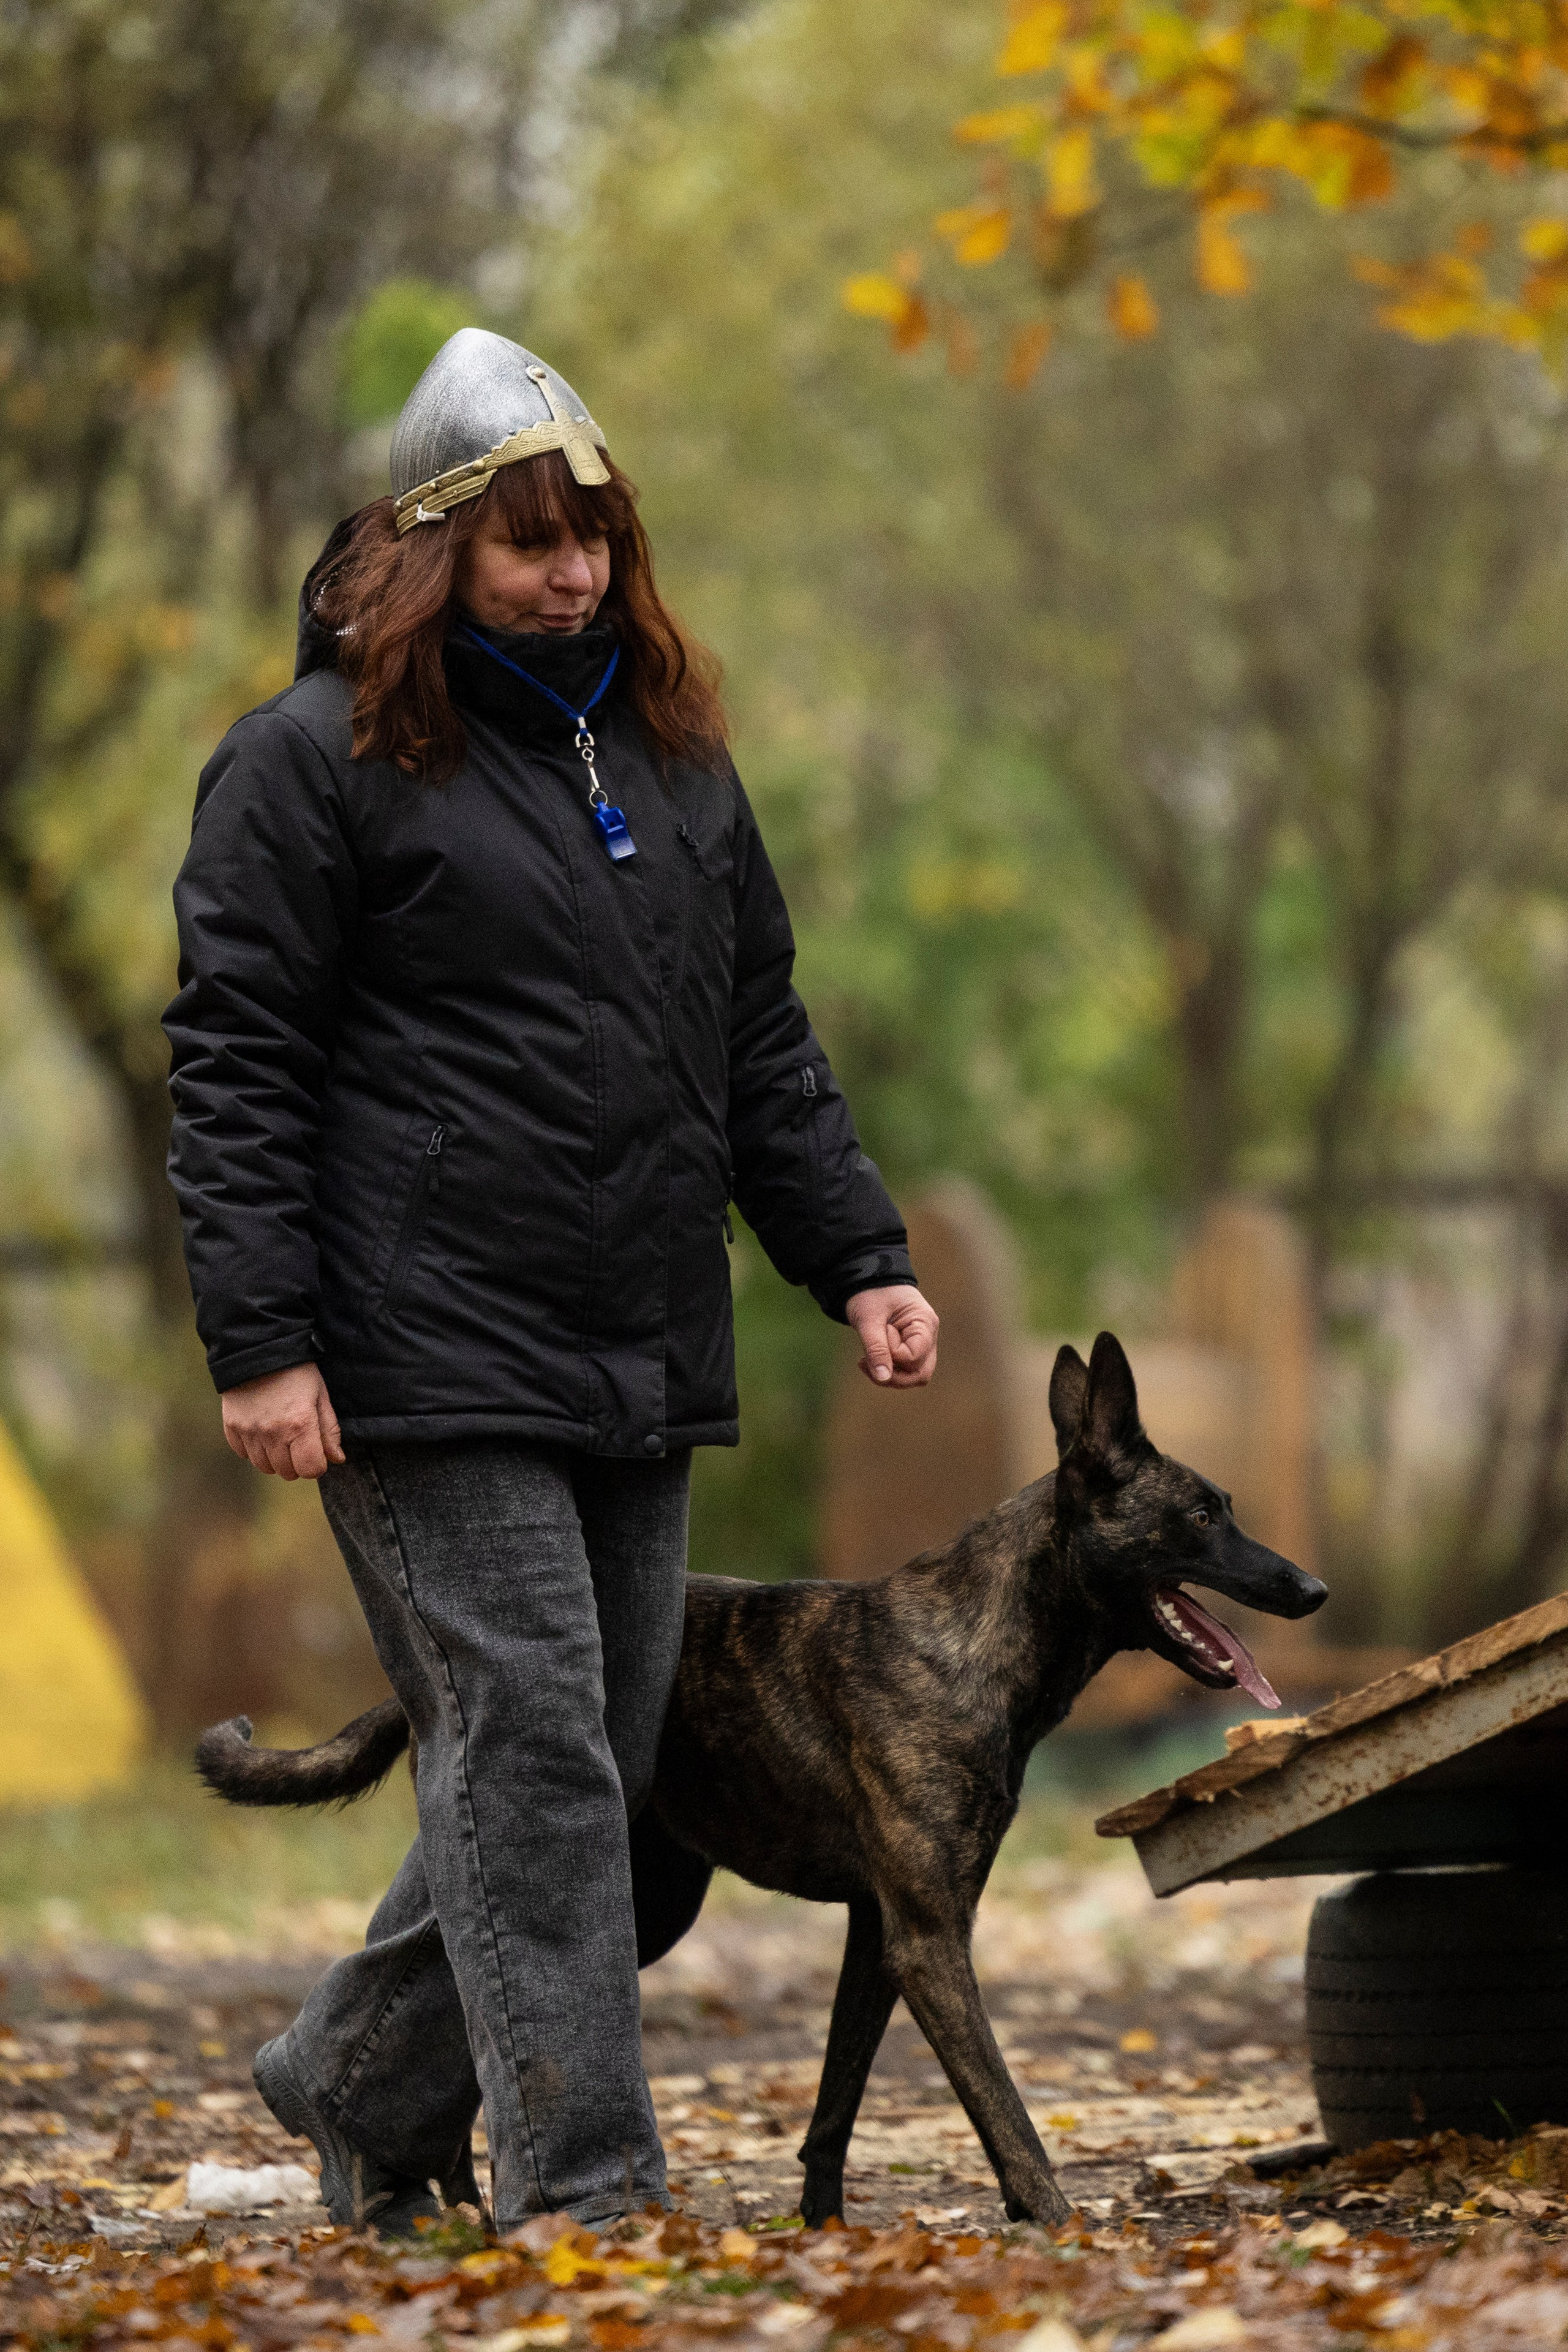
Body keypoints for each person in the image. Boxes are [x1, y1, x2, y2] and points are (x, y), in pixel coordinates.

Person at [162, 328, 939, 2237]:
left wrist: (860, 1259)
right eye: (527, 545)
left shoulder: (674, 759)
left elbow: (758, 1039)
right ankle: (590, 2193)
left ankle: (353, 2076)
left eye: (595, 538)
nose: (573, 575)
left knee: (590, 1757)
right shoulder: (305, 763)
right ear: (430, 552)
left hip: (636, 1342)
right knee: (531, 1753)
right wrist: (262, 1342)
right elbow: (236, 1058)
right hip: (415, 1358)